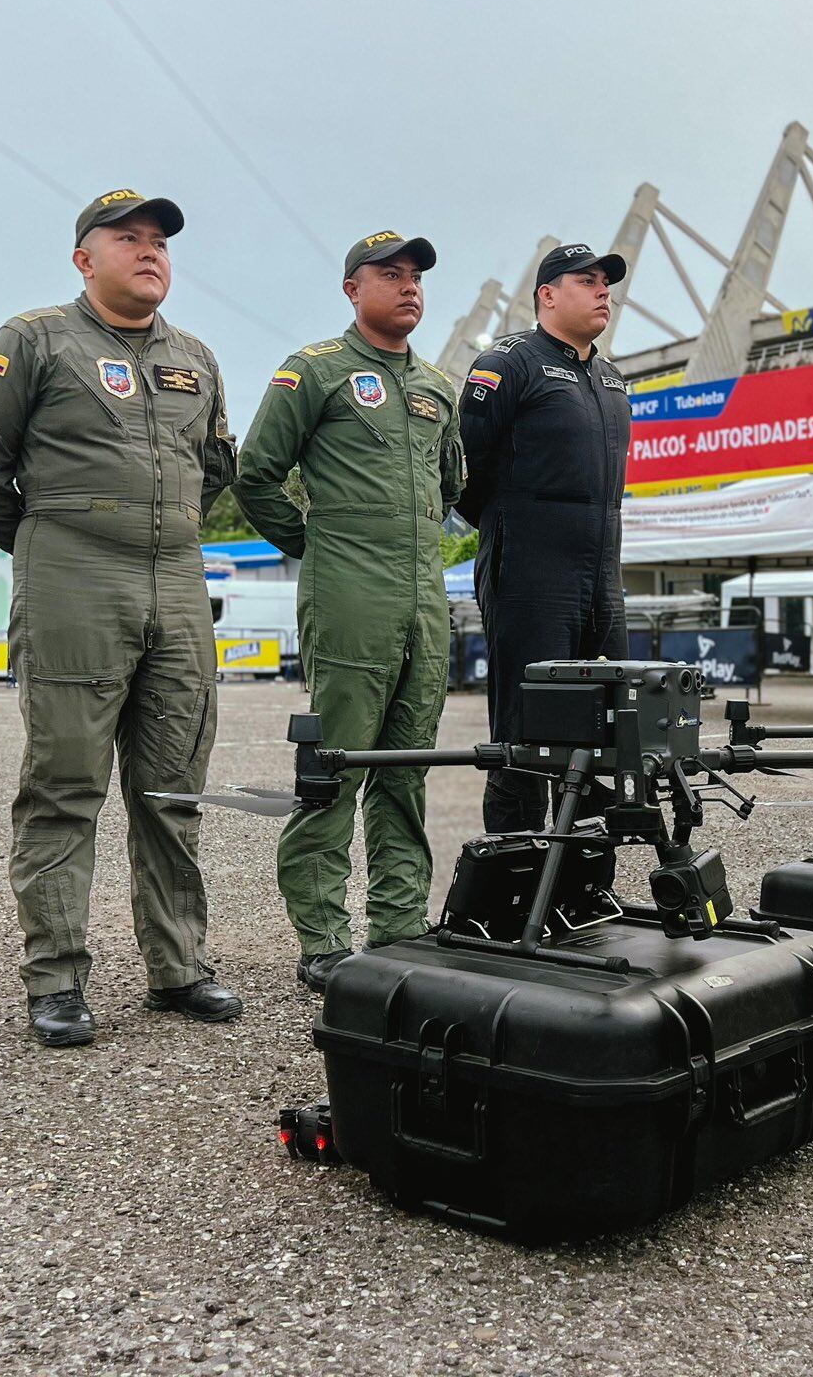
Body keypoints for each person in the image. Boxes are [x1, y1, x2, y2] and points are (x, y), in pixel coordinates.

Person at [0, 189, 241, 1046]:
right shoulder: (32, 341)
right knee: (64, 788)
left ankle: (179, 965)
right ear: (85, 258)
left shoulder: (197, 357)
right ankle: (56, 980)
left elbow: (214, 469)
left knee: (173, 788)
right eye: (129, 239)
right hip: (75, 579)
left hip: (177, 582)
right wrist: (56, 540)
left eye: (160, 242)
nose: (150, 252)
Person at [234, 231, 463, 994]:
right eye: (389, 275)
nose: (408, 287)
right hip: (349, 601)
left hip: (423, 606)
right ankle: (323, 938)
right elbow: (257, 474)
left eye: (416, 277)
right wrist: (319, 545)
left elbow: (449, 486)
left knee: (406, 776)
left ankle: (398, 928)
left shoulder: (436, 385)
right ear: (350, 288)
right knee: (336, 773)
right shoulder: (316, 372)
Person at [458, 243, 632, 833]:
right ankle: (514, 887)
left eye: (606, 281)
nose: (603, 289)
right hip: (531, 576)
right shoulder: (508, 362)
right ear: (547, 295)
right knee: (526, 736)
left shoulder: (612, 378)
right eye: (587, 280)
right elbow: (463, 471)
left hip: (602, 579)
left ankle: (583, 884)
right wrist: (516, 532)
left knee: (607, 731)